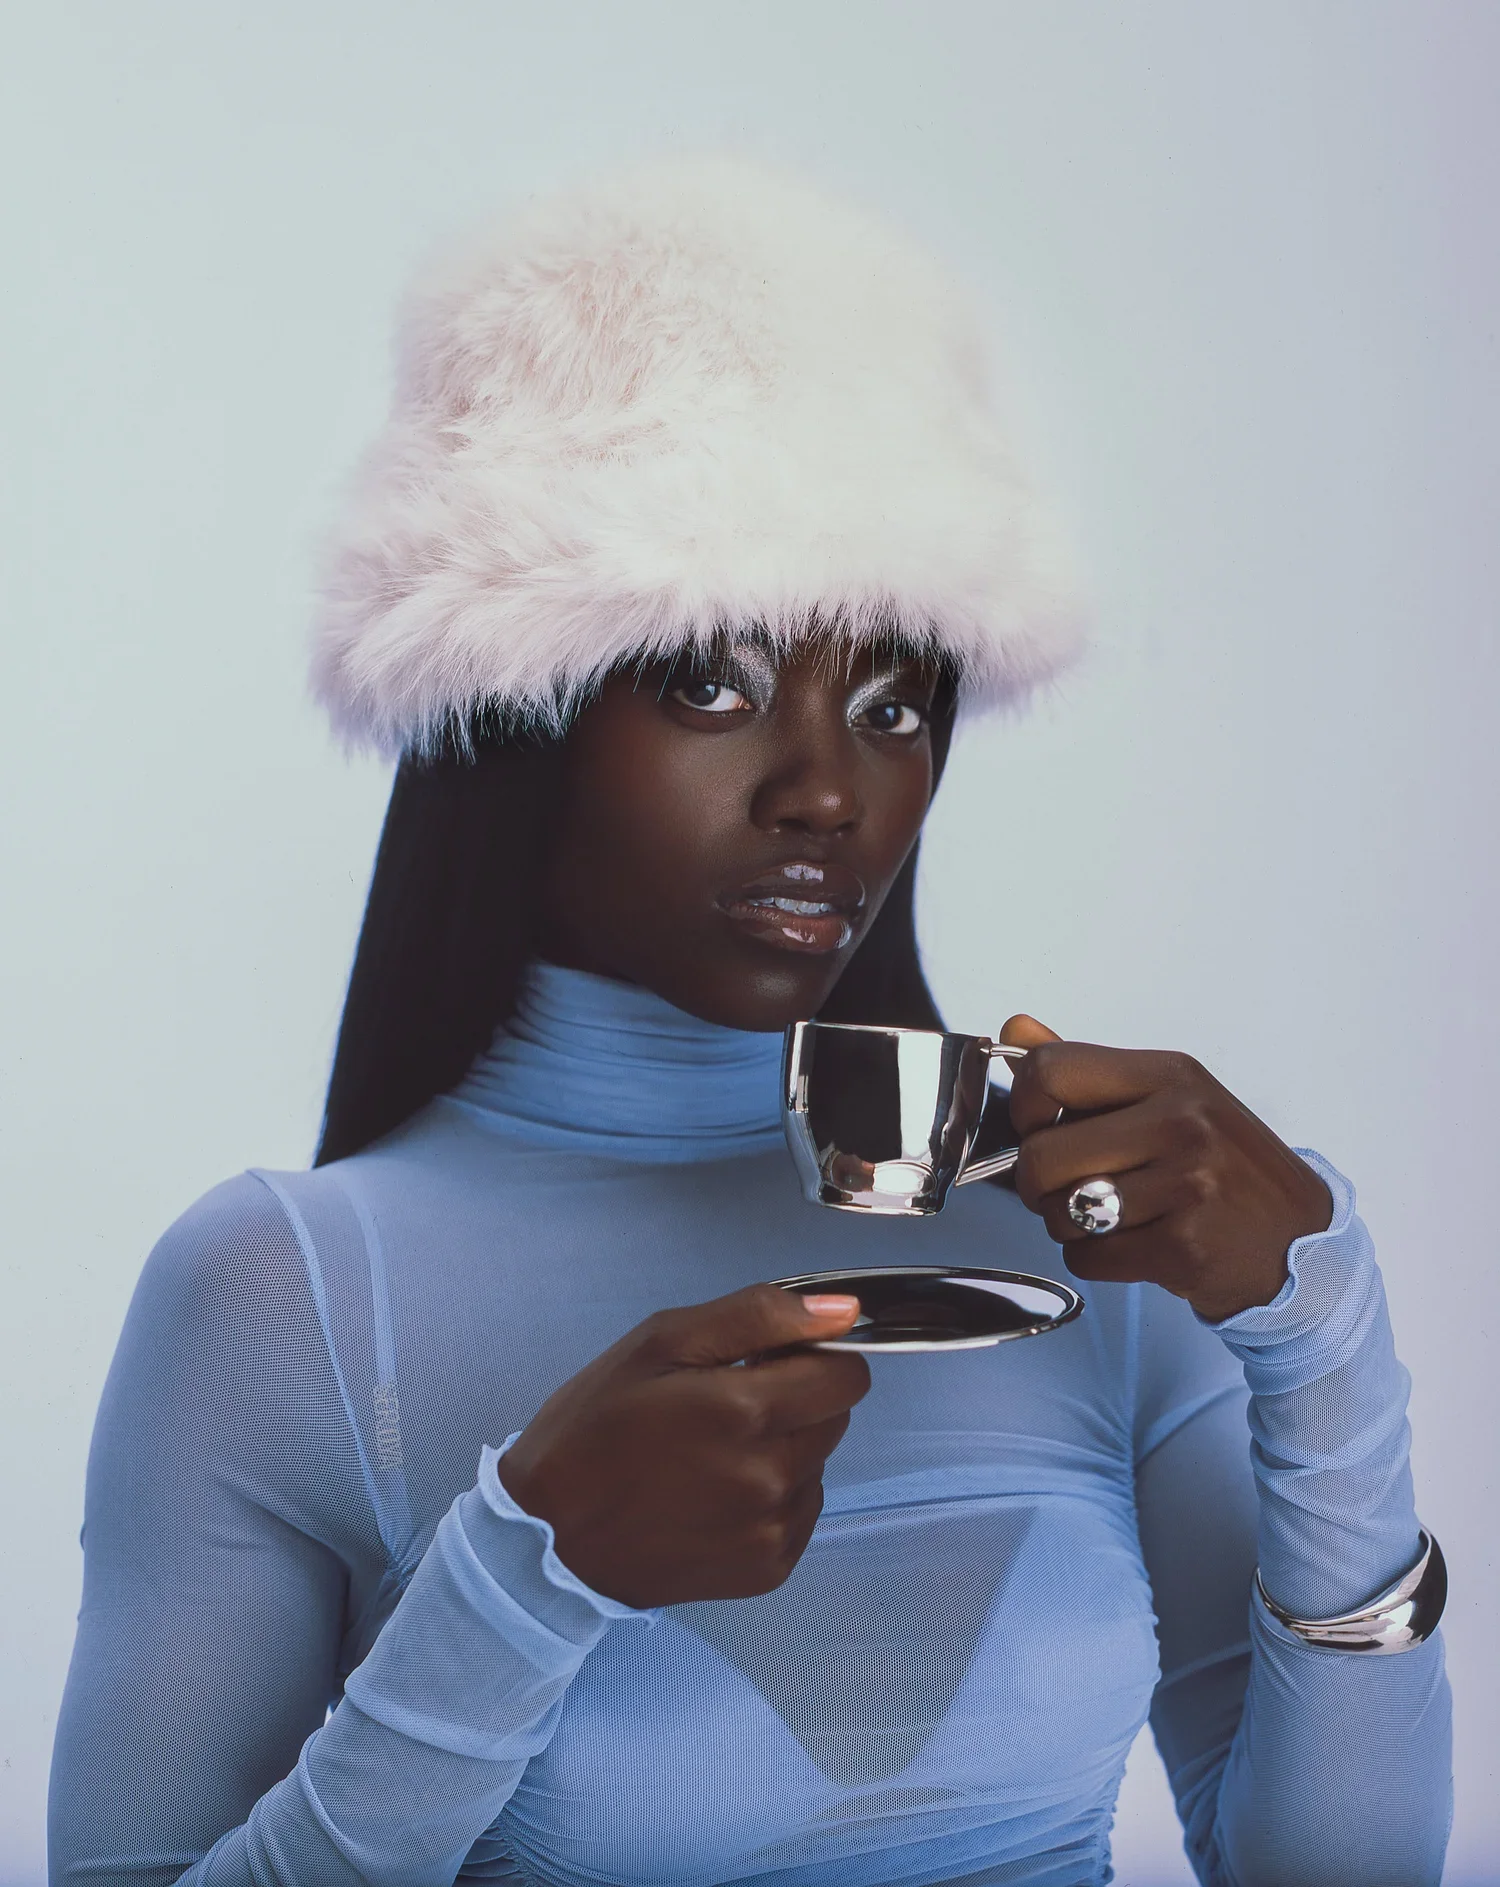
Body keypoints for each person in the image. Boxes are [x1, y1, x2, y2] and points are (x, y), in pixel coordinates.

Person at [49, 158, 1451, 1887]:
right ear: (514, 707)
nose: (824, 789)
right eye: (710, 682)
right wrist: (515, 1584)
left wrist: (1325, 1347)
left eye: (893, 697)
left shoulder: (1082, 1243)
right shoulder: (281, 1297)